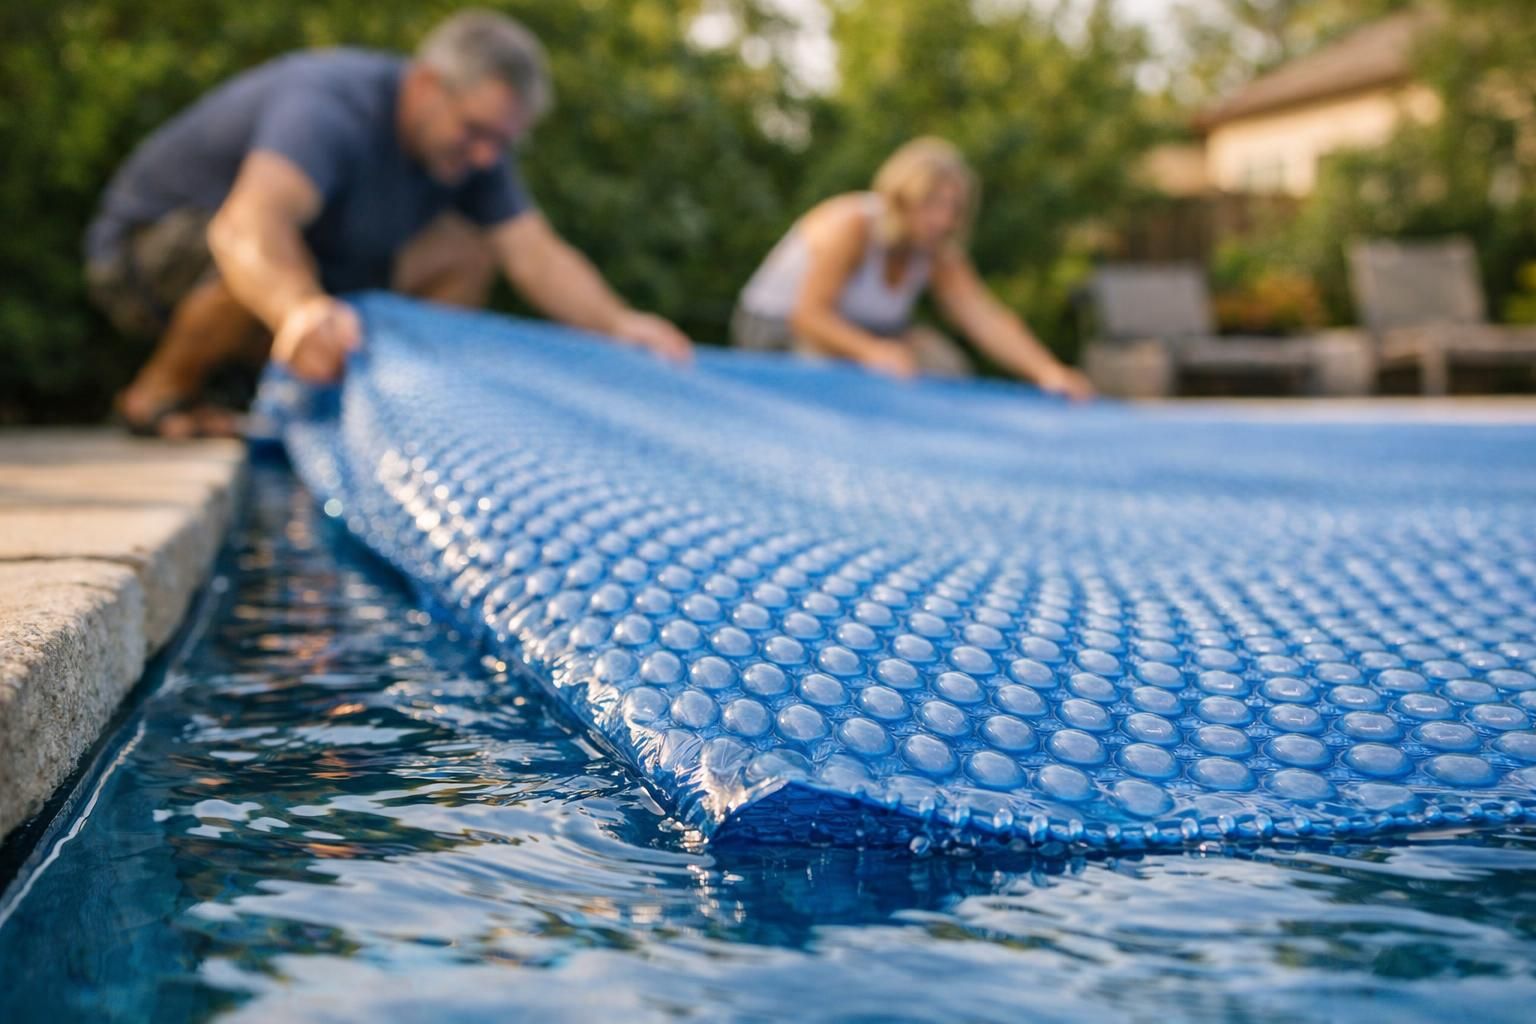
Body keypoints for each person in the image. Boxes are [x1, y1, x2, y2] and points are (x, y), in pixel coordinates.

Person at [85, 9, 691, 438]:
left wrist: (619, 324)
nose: (486, 156)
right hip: (144, 259)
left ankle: (395, 406)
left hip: (303, 266)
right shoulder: (331, 105)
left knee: (467, 251)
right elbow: (246, 226)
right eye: (476, 132)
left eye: (502, 143)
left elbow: (534, 253)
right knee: (259, 250)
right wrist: (300, 308)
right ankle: (156, 395)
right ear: (429, 86)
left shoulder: (476, 155)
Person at [732, 137, 1092, 397]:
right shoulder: (854, 225)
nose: (943, 218)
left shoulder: (937, 252)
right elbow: (808, 316)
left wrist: (1047, 371)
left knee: (943, 365)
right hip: (776, 331)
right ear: (902, 197)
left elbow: (985, 318)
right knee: (844, 378)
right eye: (932, 203)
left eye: (953, 207)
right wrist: (872, 352)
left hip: (865, 332)